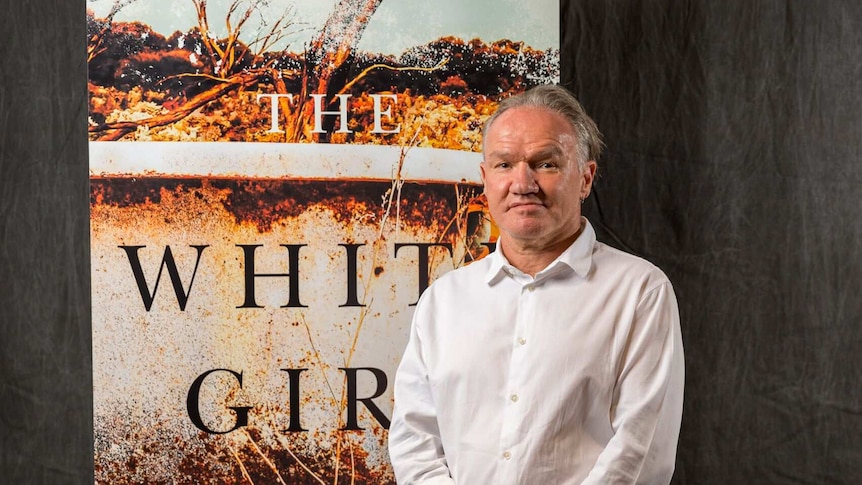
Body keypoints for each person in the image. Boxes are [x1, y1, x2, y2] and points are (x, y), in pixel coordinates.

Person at [387, 84, 684, 485]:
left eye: (545, 163)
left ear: (585, 177)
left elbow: (639, 451)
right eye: (504, 164)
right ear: (485, 179)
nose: (522, 183)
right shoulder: (443, 300)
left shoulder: (640, 293)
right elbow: (414, 441)